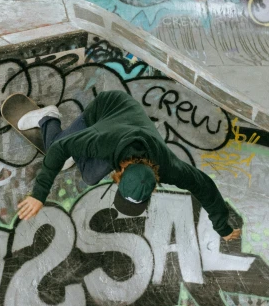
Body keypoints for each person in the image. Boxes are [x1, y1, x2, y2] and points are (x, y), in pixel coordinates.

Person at [16, 89, 241, 241]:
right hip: (108, 108)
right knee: (63, 159)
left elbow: (204, 185)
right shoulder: (102, 141)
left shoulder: (169, 168)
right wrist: (39, 194)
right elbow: (59, 149)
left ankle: (75, 146)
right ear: (120, 173)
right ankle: (47, 117)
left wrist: (222, 227)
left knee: (84, 169)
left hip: (127, 124)